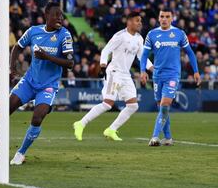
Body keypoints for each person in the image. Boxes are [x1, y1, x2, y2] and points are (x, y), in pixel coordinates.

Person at [0, 2, 74, 165]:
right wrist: (12, 69)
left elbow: (70, 63)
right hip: (29, 81)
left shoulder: (64, 35)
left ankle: (20, 153)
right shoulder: (33, 31)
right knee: (6, 109)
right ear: (46, 15)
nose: (60, 18)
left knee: (38, 117)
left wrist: (47, 57)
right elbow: (17, 48)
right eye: (56, 15)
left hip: (48, 86)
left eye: (61, 15)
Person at [73, 12, 153, 141]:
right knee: (107, 104)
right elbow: (106, 50)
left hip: (126, 75)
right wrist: (103, 66)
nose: (140, 23)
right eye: (137, 20)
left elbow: (141, 57)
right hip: (114, 73)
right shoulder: (120, 36)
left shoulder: (139, 38)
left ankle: (111, 130)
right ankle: (81, 123)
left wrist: (152, 68)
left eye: (140, 21)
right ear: (129, 22)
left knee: (133, 106)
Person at [140, 8, 201, 146]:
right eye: (162, 16)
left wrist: (196, 71)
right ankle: (168, 138)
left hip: (173, 75)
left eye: (167, 16)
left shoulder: (179, 33)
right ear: (159, 18)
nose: (164, 19)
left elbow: (190, 53)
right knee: (161, 107)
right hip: (157, 75)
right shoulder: (152, 34)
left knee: (165, 104)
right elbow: (144, 55)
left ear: (172, 18)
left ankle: (155, 137)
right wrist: (143, 71)